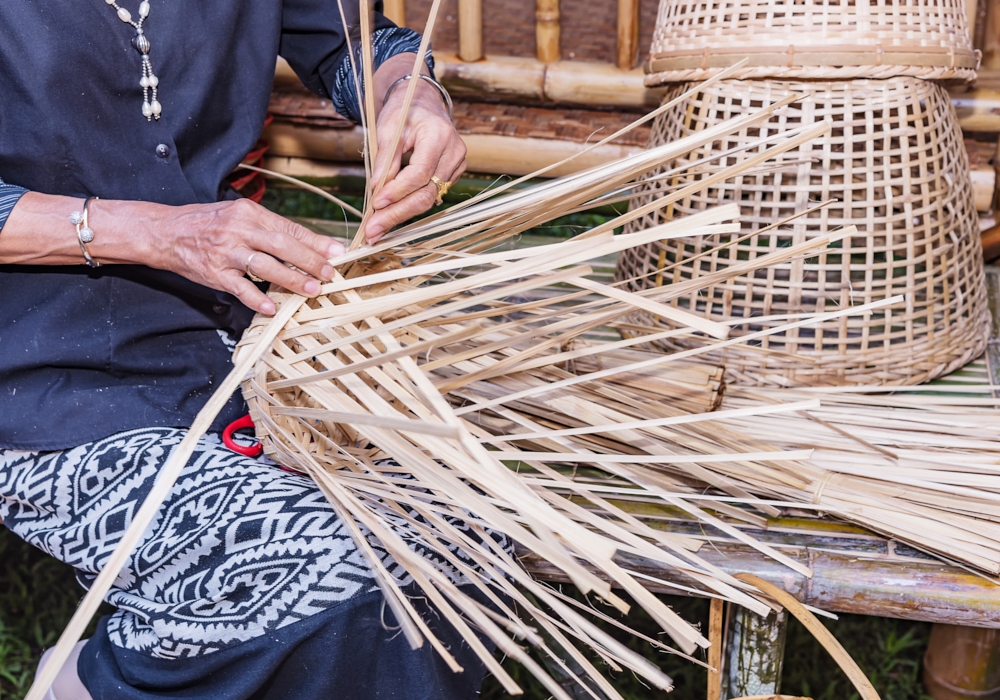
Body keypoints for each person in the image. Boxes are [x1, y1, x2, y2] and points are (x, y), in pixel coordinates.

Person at [0, 2, 482, 698]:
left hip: (236, 325)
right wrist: (154, 232)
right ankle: (99, 685)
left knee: (449, 535)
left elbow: (358, 46)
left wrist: (411, 94)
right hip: (40, 368)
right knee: (329, 570)